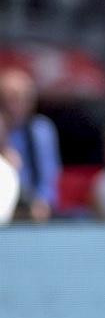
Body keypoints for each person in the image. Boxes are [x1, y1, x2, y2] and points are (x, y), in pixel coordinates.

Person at [0, 67, 62, 222]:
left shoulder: (41, 130)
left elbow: (49, 177)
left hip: (33, 211)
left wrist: (43, 202)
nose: (14, 105)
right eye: (9, 99)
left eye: (22, 98)